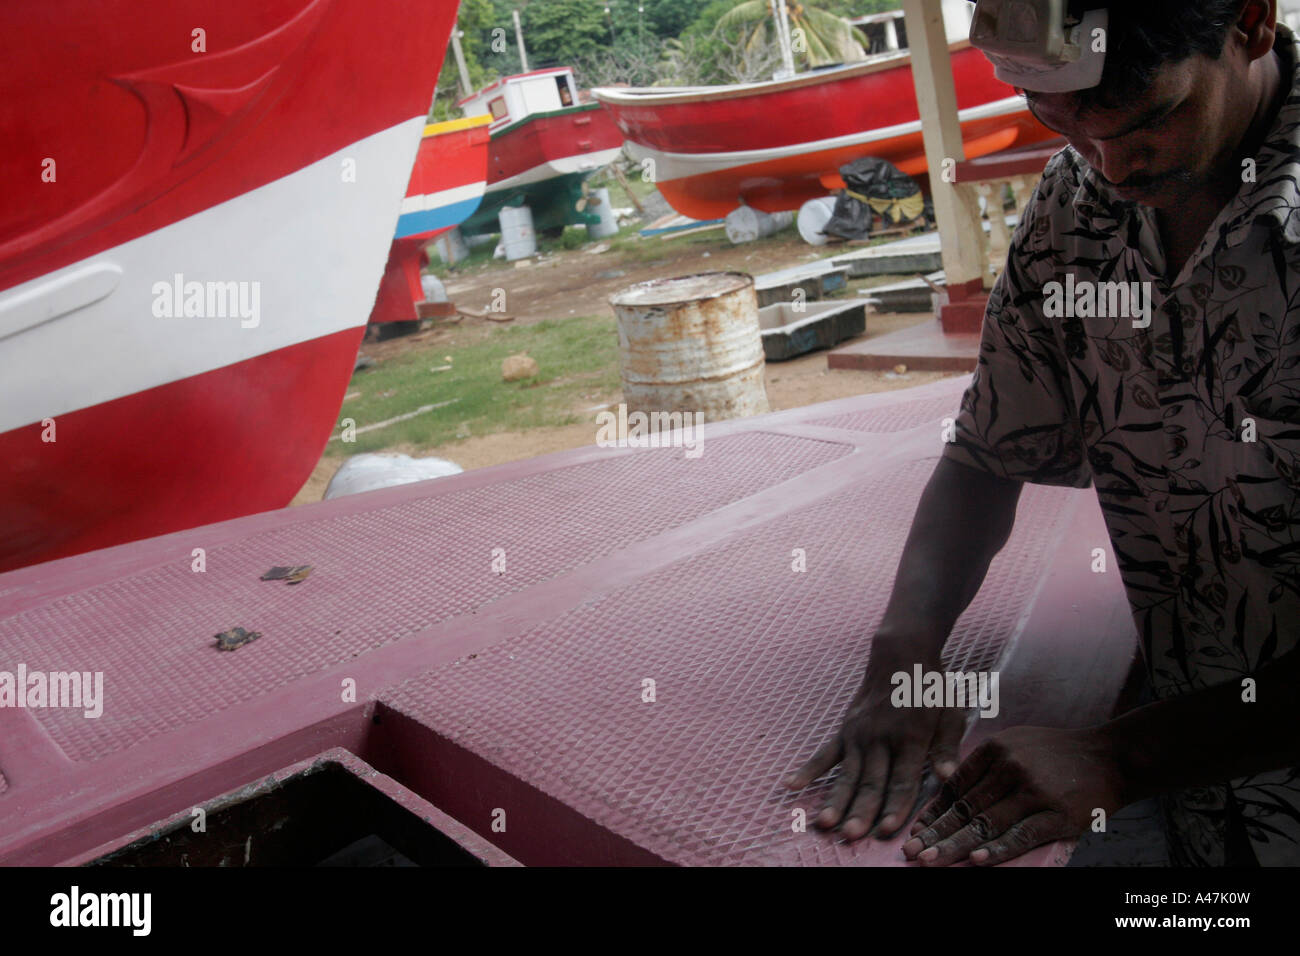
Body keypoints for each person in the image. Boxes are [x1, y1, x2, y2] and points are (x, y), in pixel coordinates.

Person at [784, 0, 1300, 866]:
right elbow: (989, 455)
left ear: (1249, 20)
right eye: (1058, 122)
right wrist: (905, 651)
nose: (1109, 166)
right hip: (1204, 820)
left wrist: (1122, 755)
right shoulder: (1078, 209)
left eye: (1151, 121)